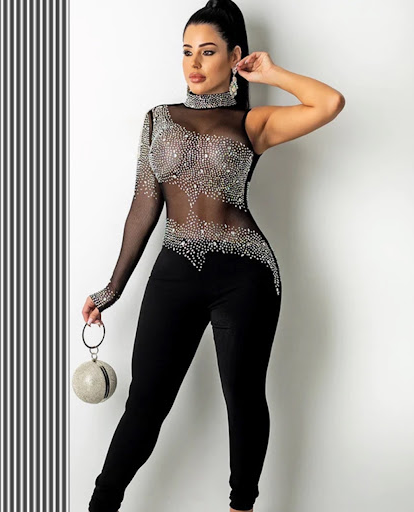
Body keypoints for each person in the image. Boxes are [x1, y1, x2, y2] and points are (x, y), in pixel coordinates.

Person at [82, 1, 345, 510]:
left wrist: (270, 73)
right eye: (187, 52)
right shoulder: (158, 119)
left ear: (234, 56)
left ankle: (240, 506)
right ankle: (100, 504)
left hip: (245, 276)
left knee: (243, 400)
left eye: (207, 51)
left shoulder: (252, 123)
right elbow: (143, 206)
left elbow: (329, 102)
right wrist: (110, 290)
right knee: (145, 405)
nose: (194, 64)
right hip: (175, 272)